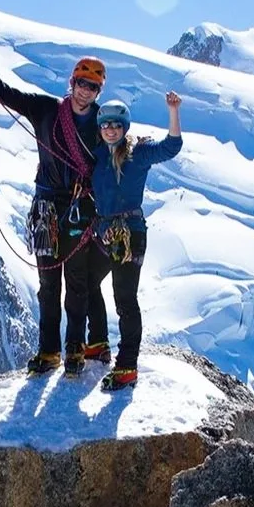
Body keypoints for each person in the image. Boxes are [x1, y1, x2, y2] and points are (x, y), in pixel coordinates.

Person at [0, 32, 111, 374]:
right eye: (81, 83)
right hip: (48, 206)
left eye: (91, 87)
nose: (84, 92)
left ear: (97, 91)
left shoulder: (106, 123)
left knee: (76, 281)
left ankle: (74, 348)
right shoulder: (45, 109)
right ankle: (49, 351)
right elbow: (4, 93)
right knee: (48, 284)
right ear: (72, 82)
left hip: (80, 208)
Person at [87, 90, 184, 391]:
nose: (110, 129)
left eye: (116, 124)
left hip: (129, 233)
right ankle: (99, 343)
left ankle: (127, 365)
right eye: (105, 125)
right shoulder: (100, 154)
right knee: (86, 282)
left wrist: (173, 111)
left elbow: (171, 147)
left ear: (124, 127)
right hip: (106, 232)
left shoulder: (137, 153)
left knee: (125, 299)